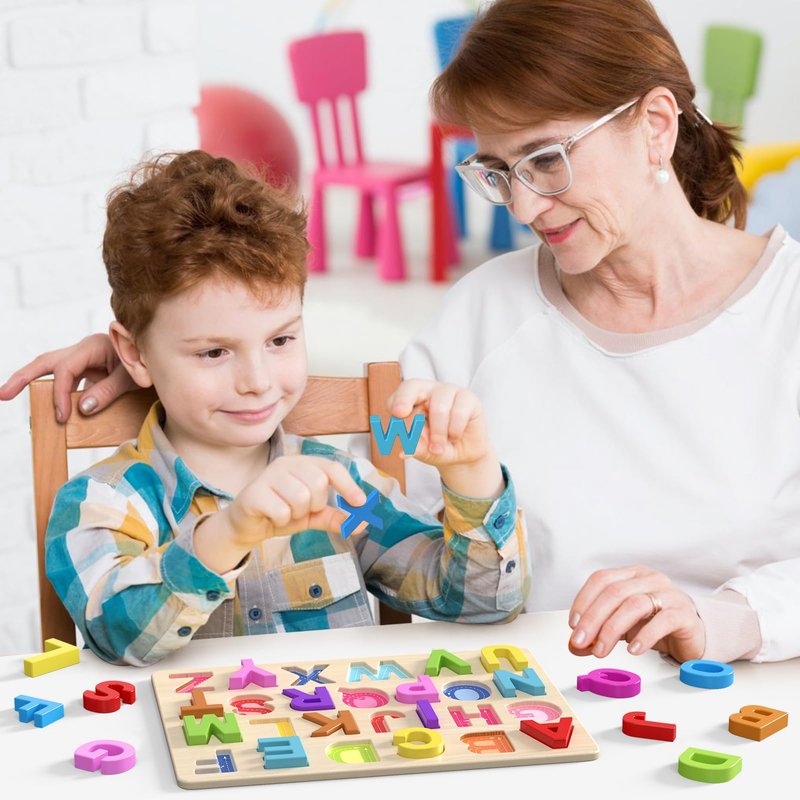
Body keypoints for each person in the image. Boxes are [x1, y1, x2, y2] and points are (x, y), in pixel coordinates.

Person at [3, 0, 798, 664]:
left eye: (546, 159)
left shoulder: (782, 310)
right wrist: (162, 357)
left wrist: (728, 619)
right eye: (497, 171)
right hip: (534, 712)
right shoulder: (481, 312)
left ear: (655, 125)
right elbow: (391, 490)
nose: (522, 207)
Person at [33, 150, 527, 666]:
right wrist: (228, 533)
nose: (258, 382)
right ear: (134, 354)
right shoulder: (104, 503)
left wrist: (472, 474)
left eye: (281, 340)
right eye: (214, 352)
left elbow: (481, 603)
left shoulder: (344, 490)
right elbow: (118, 634)